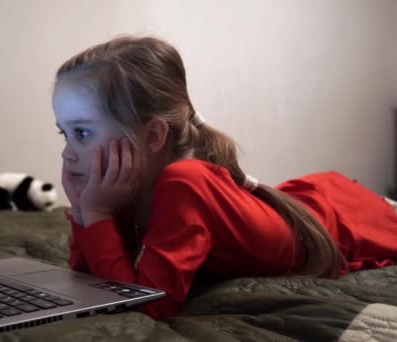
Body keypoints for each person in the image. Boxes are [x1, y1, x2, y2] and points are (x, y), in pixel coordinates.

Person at [52, 35, 397, 320]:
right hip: (300, 204)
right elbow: (93, 282)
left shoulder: (183, 183)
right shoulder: (122, 190)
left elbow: (149, 306)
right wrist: (86, 211)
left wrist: (95, 216)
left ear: (153, 137)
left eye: (82, 132)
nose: (68, 153)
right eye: (64, 134)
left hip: (347, 214)